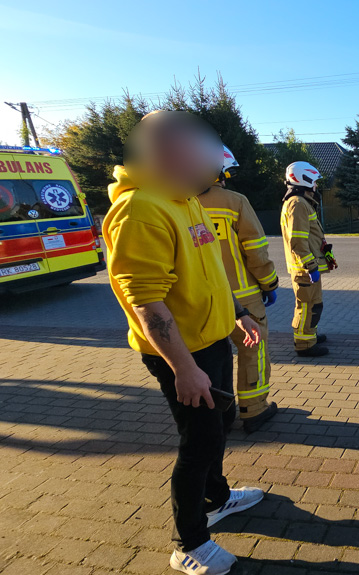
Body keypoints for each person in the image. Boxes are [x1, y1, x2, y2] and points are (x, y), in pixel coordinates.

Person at [102, 111, 264, 575]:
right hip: (181, 355)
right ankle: (189, 541)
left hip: (210, 342)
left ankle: (218, 499)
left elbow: (207, 273)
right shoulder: (140, 209)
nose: (214, 172)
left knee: (224, 417)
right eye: (204, 158)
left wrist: (233, 318)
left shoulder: (185, 199)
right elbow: (147, 303)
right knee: (199, 440)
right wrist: (184, 368)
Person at [198, 145, 279, 433]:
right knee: (252, 351)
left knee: (210, 357)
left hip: (199, 301)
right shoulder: (235, 202)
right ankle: (254, 409)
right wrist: (269, 283)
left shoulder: (174, 204)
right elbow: (256, 251)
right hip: (243, 299)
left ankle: (218, 415)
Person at [281, 161, 335, 357]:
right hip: (305, 270)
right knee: (306, 306)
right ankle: (304, 345)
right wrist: (311, 266)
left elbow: (310, 237)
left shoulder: (301, 203)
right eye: (314, 181)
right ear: (305, 179)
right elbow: (298, 241)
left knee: (314, 304)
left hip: (308, 268)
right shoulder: (298, 204)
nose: (316, 186)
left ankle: (309, 334)